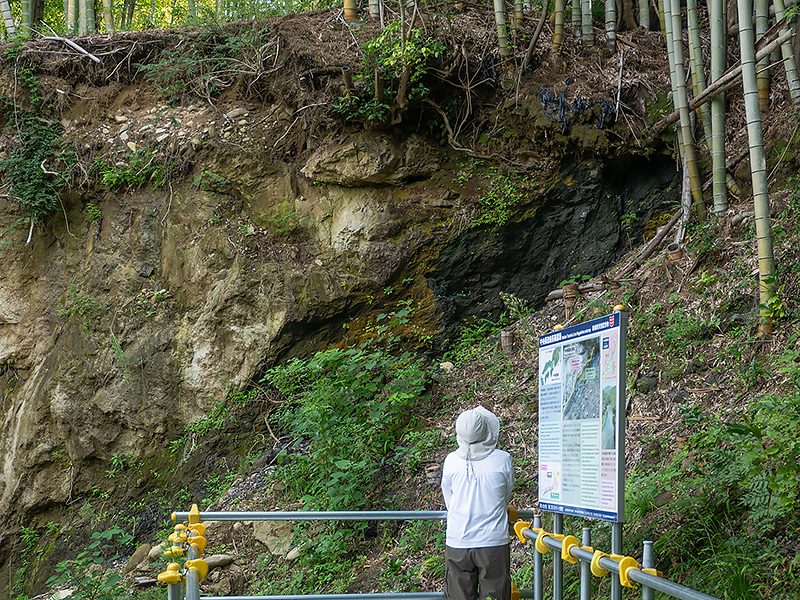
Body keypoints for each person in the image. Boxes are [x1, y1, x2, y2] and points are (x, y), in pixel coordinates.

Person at [441, 405, 514, 600]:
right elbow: (506, 494)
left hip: (457, 540)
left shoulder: (450, 461)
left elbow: (449, 498)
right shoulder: (503, 459)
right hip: (493, 541)